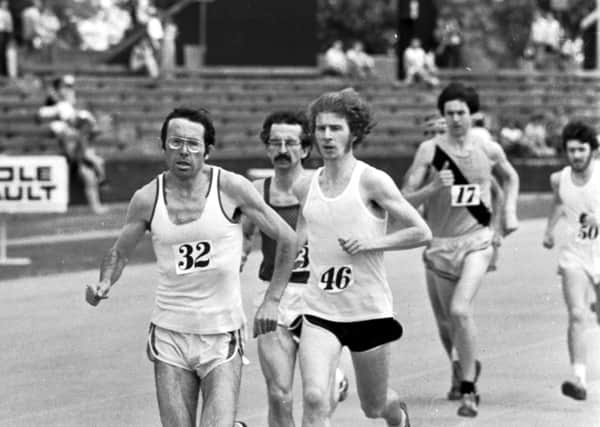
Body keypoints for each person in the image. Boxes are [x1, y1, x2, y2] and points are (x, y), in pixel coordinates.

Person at [85, 107, 298, 427]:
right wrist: (105, 282)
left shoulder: (231, 188)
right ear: (163, 146)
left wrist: (273, 299)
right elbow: (120, 253)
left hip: (221, 333)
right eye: (175, 142)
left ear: (208, 151)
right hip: (170, 332)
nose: (183, 151)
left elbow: (288, 238)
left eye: (193, 144)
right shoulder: (146, 198)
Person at [293, 88, 432, 427]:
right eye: (321, 128)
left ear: (354, 132)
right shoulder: (305, 185)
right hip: (319, 309)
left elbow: (421, 231)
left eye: (336, 128)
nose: (327, 136)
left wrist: (372, 242)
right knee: (313, 398)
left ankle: (398, 417)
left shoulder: (371, 181)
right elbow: (300, 236)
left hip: (367, 310)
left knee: (374, 405)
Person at [402, 82, 519, 417]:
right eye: (449, 113)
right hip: (439, 244)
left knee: (459, 310)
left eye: (461, 113)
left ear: (473, 115)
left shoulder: (489, 148)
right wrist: (433, 187)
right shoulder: (429, 151)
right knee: (444, 323)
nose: (455, 119)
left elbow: (508, 180)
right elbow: (404, 197)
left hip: (477, 242)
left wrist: (504, 218)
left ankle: (469, 390)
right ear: (443, 115)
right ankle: (460, 364)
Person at [240, 111, 349, 427]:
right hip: (273, 293)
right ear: (267, 148)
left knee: (317, 399)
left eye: (291, 143)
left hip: (319, 297)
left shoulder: (324, 185)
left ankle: (335, 382)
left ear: (304, 149)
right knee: (279, 394)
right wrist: (238, 257)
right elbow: (245, 234)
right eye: (275, 143)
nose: (282, 150)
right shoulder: (256, 191)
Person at [542, 121, 600, 401]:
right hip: (575, 254)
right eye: (571, 150)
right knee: (577, 314)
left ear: (593, 150)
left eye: (581, 149)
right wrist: (549, 229)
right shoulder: (560, 178)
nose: (576, 155)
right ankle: (579, 378)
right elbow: (557, 201)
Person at [37, 74, 108, 214]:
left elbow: (90, 129)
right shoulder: (58, 114)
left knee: (89, 177)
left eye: (71, 90)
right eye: (66, 89)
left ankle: (96, 204)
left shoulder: (79, 114)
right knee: (90, 171)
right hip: (71, 155)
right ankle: (99, 188)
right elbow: (44, 115)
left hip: (78, 153)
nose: (70, 93)